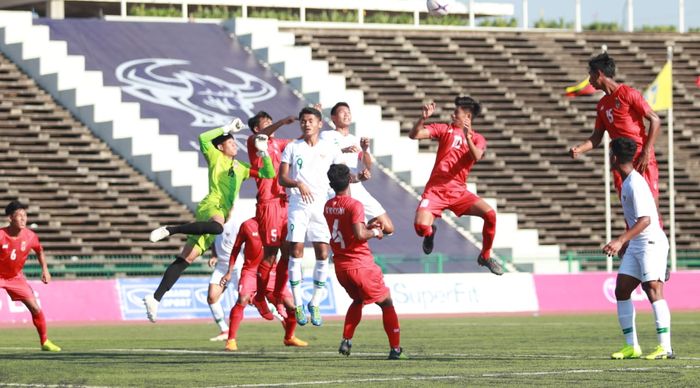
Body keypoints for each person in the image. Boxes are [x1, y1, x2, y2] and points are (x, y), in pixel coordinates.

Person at [143, 119, 275, 322]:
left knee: (186, 259)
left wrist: (264, 152)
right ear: (221, 147)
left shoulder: (241, 167)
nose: (234, 145)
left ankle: (155, 298)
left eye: (234, 142)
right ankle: (172, 229)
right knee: (217, 227)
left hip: (219, 213)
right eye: (230, 142)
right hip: (211, 206)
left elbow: (269, 173)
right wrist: (227, 128)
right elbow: (203, 138)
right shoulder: (215, 156)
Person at [408, 96, 502, 275]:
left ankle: (485, 255)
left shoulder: (477, 138)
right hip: (435, 191)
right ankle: (430, 233)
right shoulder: (444, 129)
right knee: (420, 228)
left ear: (467, 117)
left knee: (490, 214)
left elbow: (476, 156)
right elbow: (414, 135)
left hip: (458, 192)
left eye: (457, 112)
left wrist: (467, 137)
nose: (452, 114)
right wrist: (423, 119)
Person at [324, 164, 406, 360]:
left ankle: (347, 339)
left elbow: (349, 230)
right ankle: (395, 350)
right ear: (349, 180)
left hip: (342, 267)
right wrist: (376, 231)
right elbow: (359, 235)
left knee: (358, 300)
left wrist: (367, 226)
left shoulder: (328, 206)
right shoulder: (355, 205)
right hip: (360, 265)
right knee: (386, 303)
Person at [604, 137, 672, 360]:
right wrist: (627, 243)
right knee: (622, 290)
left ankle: (665, 347)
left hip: (651, 242)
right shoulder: (627, 182)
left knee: (652, 289)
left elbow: (645, 220)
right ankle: (632, 346)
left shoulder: (635, 183)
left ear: (614, 156)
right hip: (638, 243)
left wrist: (621, 240)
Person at [278, 107, 344, 326]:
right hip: (298, 203)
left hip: (322, 205)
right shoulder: (292, 147)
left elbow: (341, 175)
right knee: (295, 249)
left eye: (309, 121)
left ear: (319, 124)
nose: (305, 124)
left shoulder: (330, 148)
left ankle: (314, 303)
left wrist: (353, 184)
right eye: (303, 121)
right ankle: (298, 304)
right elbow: (282, 178)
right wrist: (298, 183)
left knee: (323, 252)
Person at [569, 52, 662, 205]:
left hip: (641, 157)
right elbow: (596, 137)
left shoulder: (628, 94)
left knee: (650, 205)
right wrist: (579, 149)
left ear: (599, 74)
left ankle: (655, 229)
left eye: (590, 76)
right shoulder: (601, 105)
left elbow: (655, 120)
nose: (589, 81)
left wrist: (646, 151)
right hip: (621, 160)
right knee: (630, 207)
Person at [220, 217, 307, 351]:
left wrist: (296, 270)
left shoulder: (278, 224)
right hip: (251, 271)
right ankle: (231, 340)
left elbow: (288, 251)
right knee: (242, 299)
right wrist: (229, 271)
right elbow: (236, 248)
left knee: (291, 306)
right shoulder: (247, 225)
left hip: (272, 271)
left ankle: (289, 337)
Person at [245, 111, 296, 321]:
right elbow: (262, 137)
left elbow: (299, 143)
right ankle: (259, 296)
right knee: (271, 253)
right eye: (266, 123)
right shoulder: (254, 142)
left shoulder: (279, 143)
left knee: (289, 251)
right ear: (258, 129)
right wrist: (282, 121)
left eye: (271, 120)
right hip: (268, 203)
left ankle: (275, 293)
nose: (270, 125)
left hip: (284, 201)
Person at [321, 102, 394, 234]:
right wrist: (343, 150)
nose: (347, 114)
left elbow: (367, 165)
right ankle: (358, 234)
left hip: (356, 186)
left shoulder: (355, 140)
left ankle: (366, 229)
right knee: (348, 231)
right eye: (342, 112)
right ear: (333, 117)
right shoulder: (327, 136)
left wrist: (365, 150)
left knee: (388, 227)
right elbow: (324, 155)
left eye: (348, 112)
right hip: (338, 189)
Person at [0, 200, 61, 352]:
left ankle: (45, 341)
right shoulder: (1, 235)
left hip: (15, 277)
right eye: (18, 216)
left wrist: (45, 270)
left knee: (35, 308)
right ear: (10, 218)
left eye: (24, 215)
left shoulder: (31, 236)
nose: (23, 219)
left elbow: (39, 251)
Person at [206, 216, 244, 341]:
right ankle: (224, 330)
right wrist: (214, 256)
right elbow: (213, 241)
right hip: (221, 266)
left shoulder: (236, 225)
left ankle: (280, 315)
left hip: (236, 266)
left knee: (249, 299)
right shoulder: (214, 225)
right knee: (212, 297)